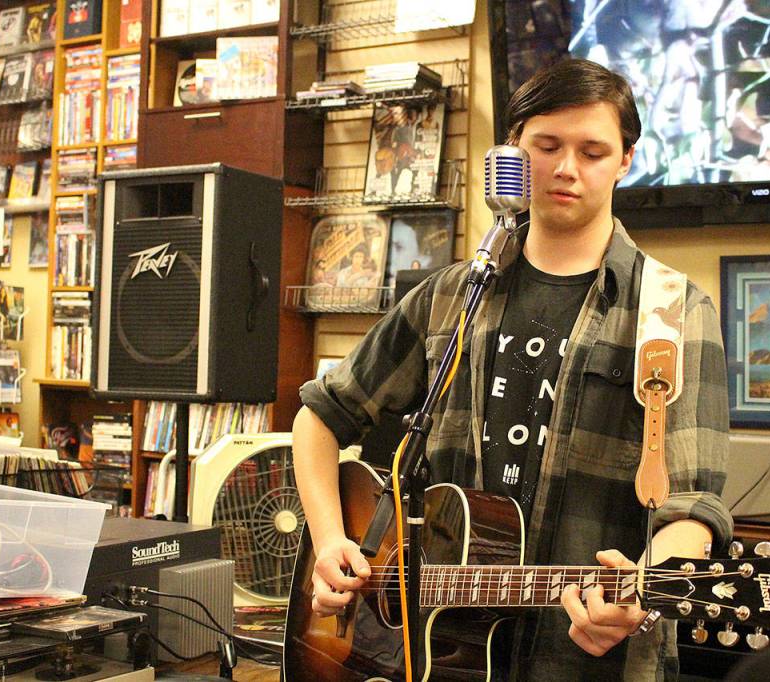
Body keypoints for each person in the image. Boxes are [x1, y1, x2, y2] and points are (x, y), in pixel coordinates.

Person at [292, 58, 731, 680]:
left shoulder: (673, 311)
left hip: (586, 662)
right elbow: (319, 417)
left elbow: (692, 507)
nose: (567, 168)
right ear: (514, 152)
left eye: (593, 152)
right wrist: (330, 539)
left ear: (626, 160)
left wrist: (639, 590)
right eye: (547, 147)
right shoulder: (450, 296)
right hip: (436, 653)